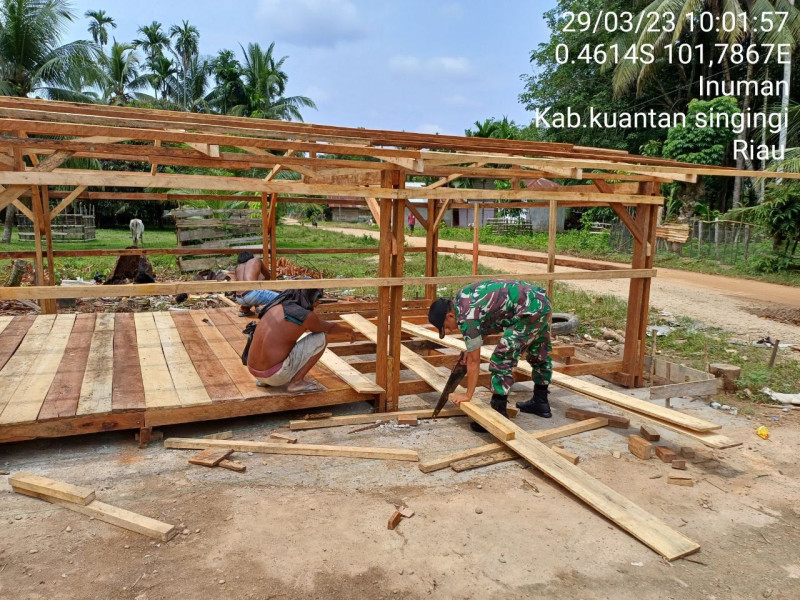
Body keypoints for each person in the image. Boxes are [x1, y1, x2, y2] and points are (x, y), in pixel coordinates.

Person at [427, 279, 553, 432]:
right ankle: (541, 403)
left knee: (501, 359)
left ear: (450, 316)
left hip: (527, 312)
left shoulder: (466, 318)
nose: (451, 330)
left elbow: (474, 362)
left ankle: (498, 413)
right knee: (538, 351)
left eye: (447, 327)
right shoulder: (463, 297)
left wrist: (468, 394)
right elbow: (487, 320)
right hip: (540, 301)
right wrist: (470, 348)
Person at [246, 287, 357, 393]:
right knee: (321, 337)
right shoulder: (305, 315)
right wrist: (349, 330)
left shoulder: (275, 306)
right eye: (316, 297)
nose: (319, 301)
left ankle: (265, 381)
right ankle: (297, 382)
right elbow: (330, 328)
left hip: (254, 371)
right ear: (307, 296)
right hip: (274, 376)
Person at [234, 252, 278, 317]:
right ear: (251, 257)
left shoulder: (238, 267)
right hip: (252, 295)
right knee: (282, 297)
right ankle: (267, 313)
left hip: (239, 299)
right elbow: (268, 276)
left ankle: (246, 309)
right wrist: (261, 287)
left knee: (251, 292)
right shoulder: (256, 260)